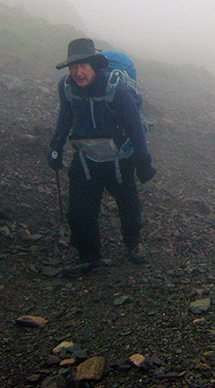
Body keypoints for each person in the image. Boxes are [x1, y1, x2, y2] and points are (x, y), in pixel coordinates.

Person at [48, 38, 156, 276]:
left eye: (83, 66)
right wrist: (56, 146)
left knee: (128, 204)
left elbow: (135, 126)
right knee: (79, 209)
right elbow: (65, 117)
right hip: (86, 159)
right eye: (73, 67)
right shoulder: (66, 88)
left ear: (94, 65)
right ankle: (89, 256)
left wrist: (143, 160)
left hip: (119, 160)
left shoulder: (116, 89)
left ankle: (133, 242)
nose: (78, 72)